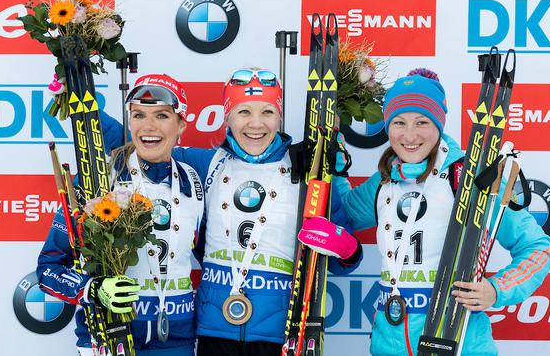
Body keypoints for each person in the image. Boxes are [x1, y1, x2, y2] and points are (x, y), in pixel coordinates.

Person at [99, 68, 362, 356]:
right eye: (244, 112)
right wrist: (87, 110)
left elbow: (337, 262)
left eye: (268, 112)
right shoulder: (206, 163)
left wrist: (346, 248)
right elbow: (147, 140)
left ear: (280, 117)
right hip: (214, 330)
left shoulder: (306, 169)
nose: (256, 124)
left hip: (281, 333)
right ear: (228, 117)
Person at [333, 68, 550, 356]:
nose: (409, 135)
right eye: (399, 122)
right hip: (390, 342)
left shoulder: (470, 175)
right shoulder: (384, 179)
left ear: (439, 124)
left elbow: (537, 249)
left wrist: (497, 289)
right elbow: (341, 213)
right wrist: (333, 153)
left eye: (422, 122)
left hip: (458, 340)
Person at [37, 74, 205, 356]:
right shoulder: (98, 181)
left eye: (162, 116)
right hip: (110, 334)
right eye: (139, 115)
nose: (149, 126)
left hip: (177, 340)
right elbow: (48, 270)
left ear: (181, 125)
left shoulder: (194, 180)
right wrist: (93, 290)